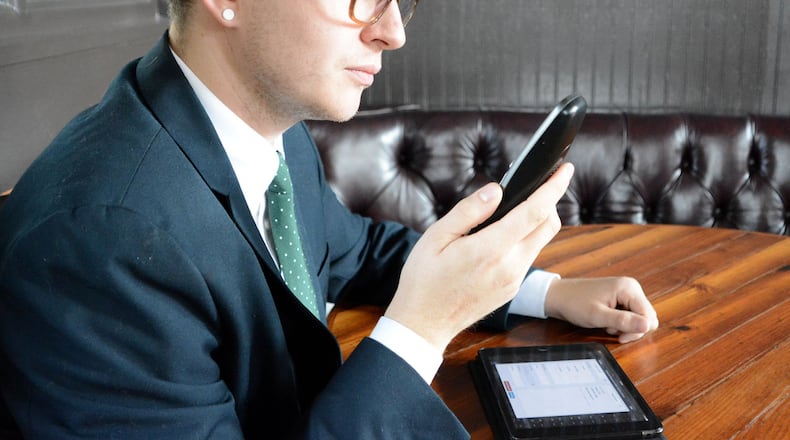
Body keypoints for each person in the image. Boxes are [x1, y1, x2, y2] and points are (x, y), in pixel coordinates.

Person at [0, 0, 658, 438]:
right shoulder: (97, 239)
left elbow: (359, 249)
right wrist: (419, 330)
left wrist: (545, 290)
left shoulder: (269, 129)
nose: (392, 29)